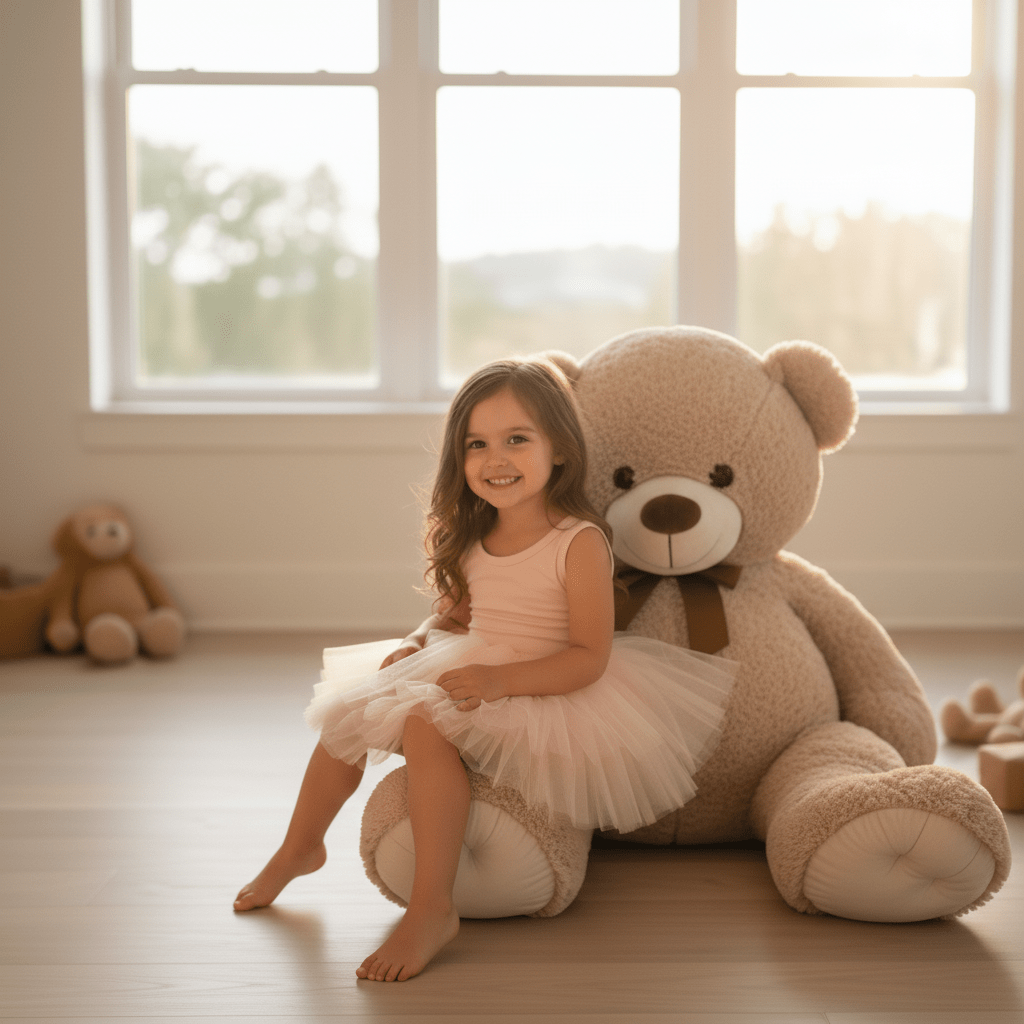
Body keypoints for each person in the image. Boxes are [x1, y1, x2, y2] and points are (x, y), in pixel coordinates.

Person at [233, 356, 737, 982]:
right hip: (473, 662)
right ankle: (300, 847)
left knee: (425, 723)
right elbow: (452, 617)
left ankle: (431, 909)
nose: (496, 459)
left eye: (516, 439)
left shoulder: (577, 541)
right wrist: (416, 643)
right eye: (477, 444)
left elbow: (589, 656)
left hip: (543, 683)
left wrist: (500, 683)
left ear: (559, 449)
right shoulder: (474, 533)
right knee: (352, 711)